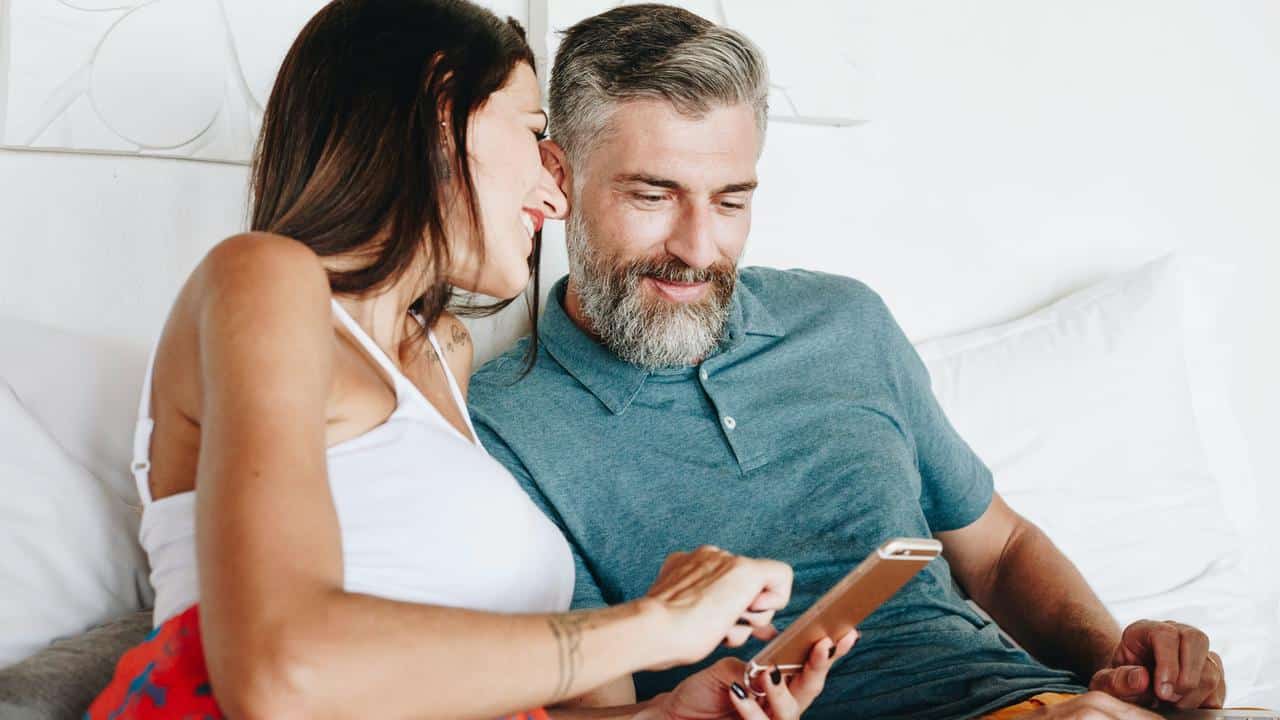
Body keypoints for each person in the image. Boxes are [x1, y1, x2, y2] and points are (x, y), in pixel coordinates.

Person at [86, 1, 857, 718]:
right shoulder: (265, 276)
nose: (554, 200)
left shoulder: (441, 355)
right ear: (439, 107)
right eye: (531, 132)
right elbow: (281, 673)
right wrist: (653, 627)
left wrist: (663, 711)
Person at [467, 5, 1226, 719]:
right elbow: (601, 708)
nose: (699, 248)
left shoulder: (843, 321)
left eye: (730, 202)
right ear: (558, 178)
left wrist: (1122, 672)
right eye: (654, 195)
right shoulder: (507, 429)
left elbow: (1000, 553)